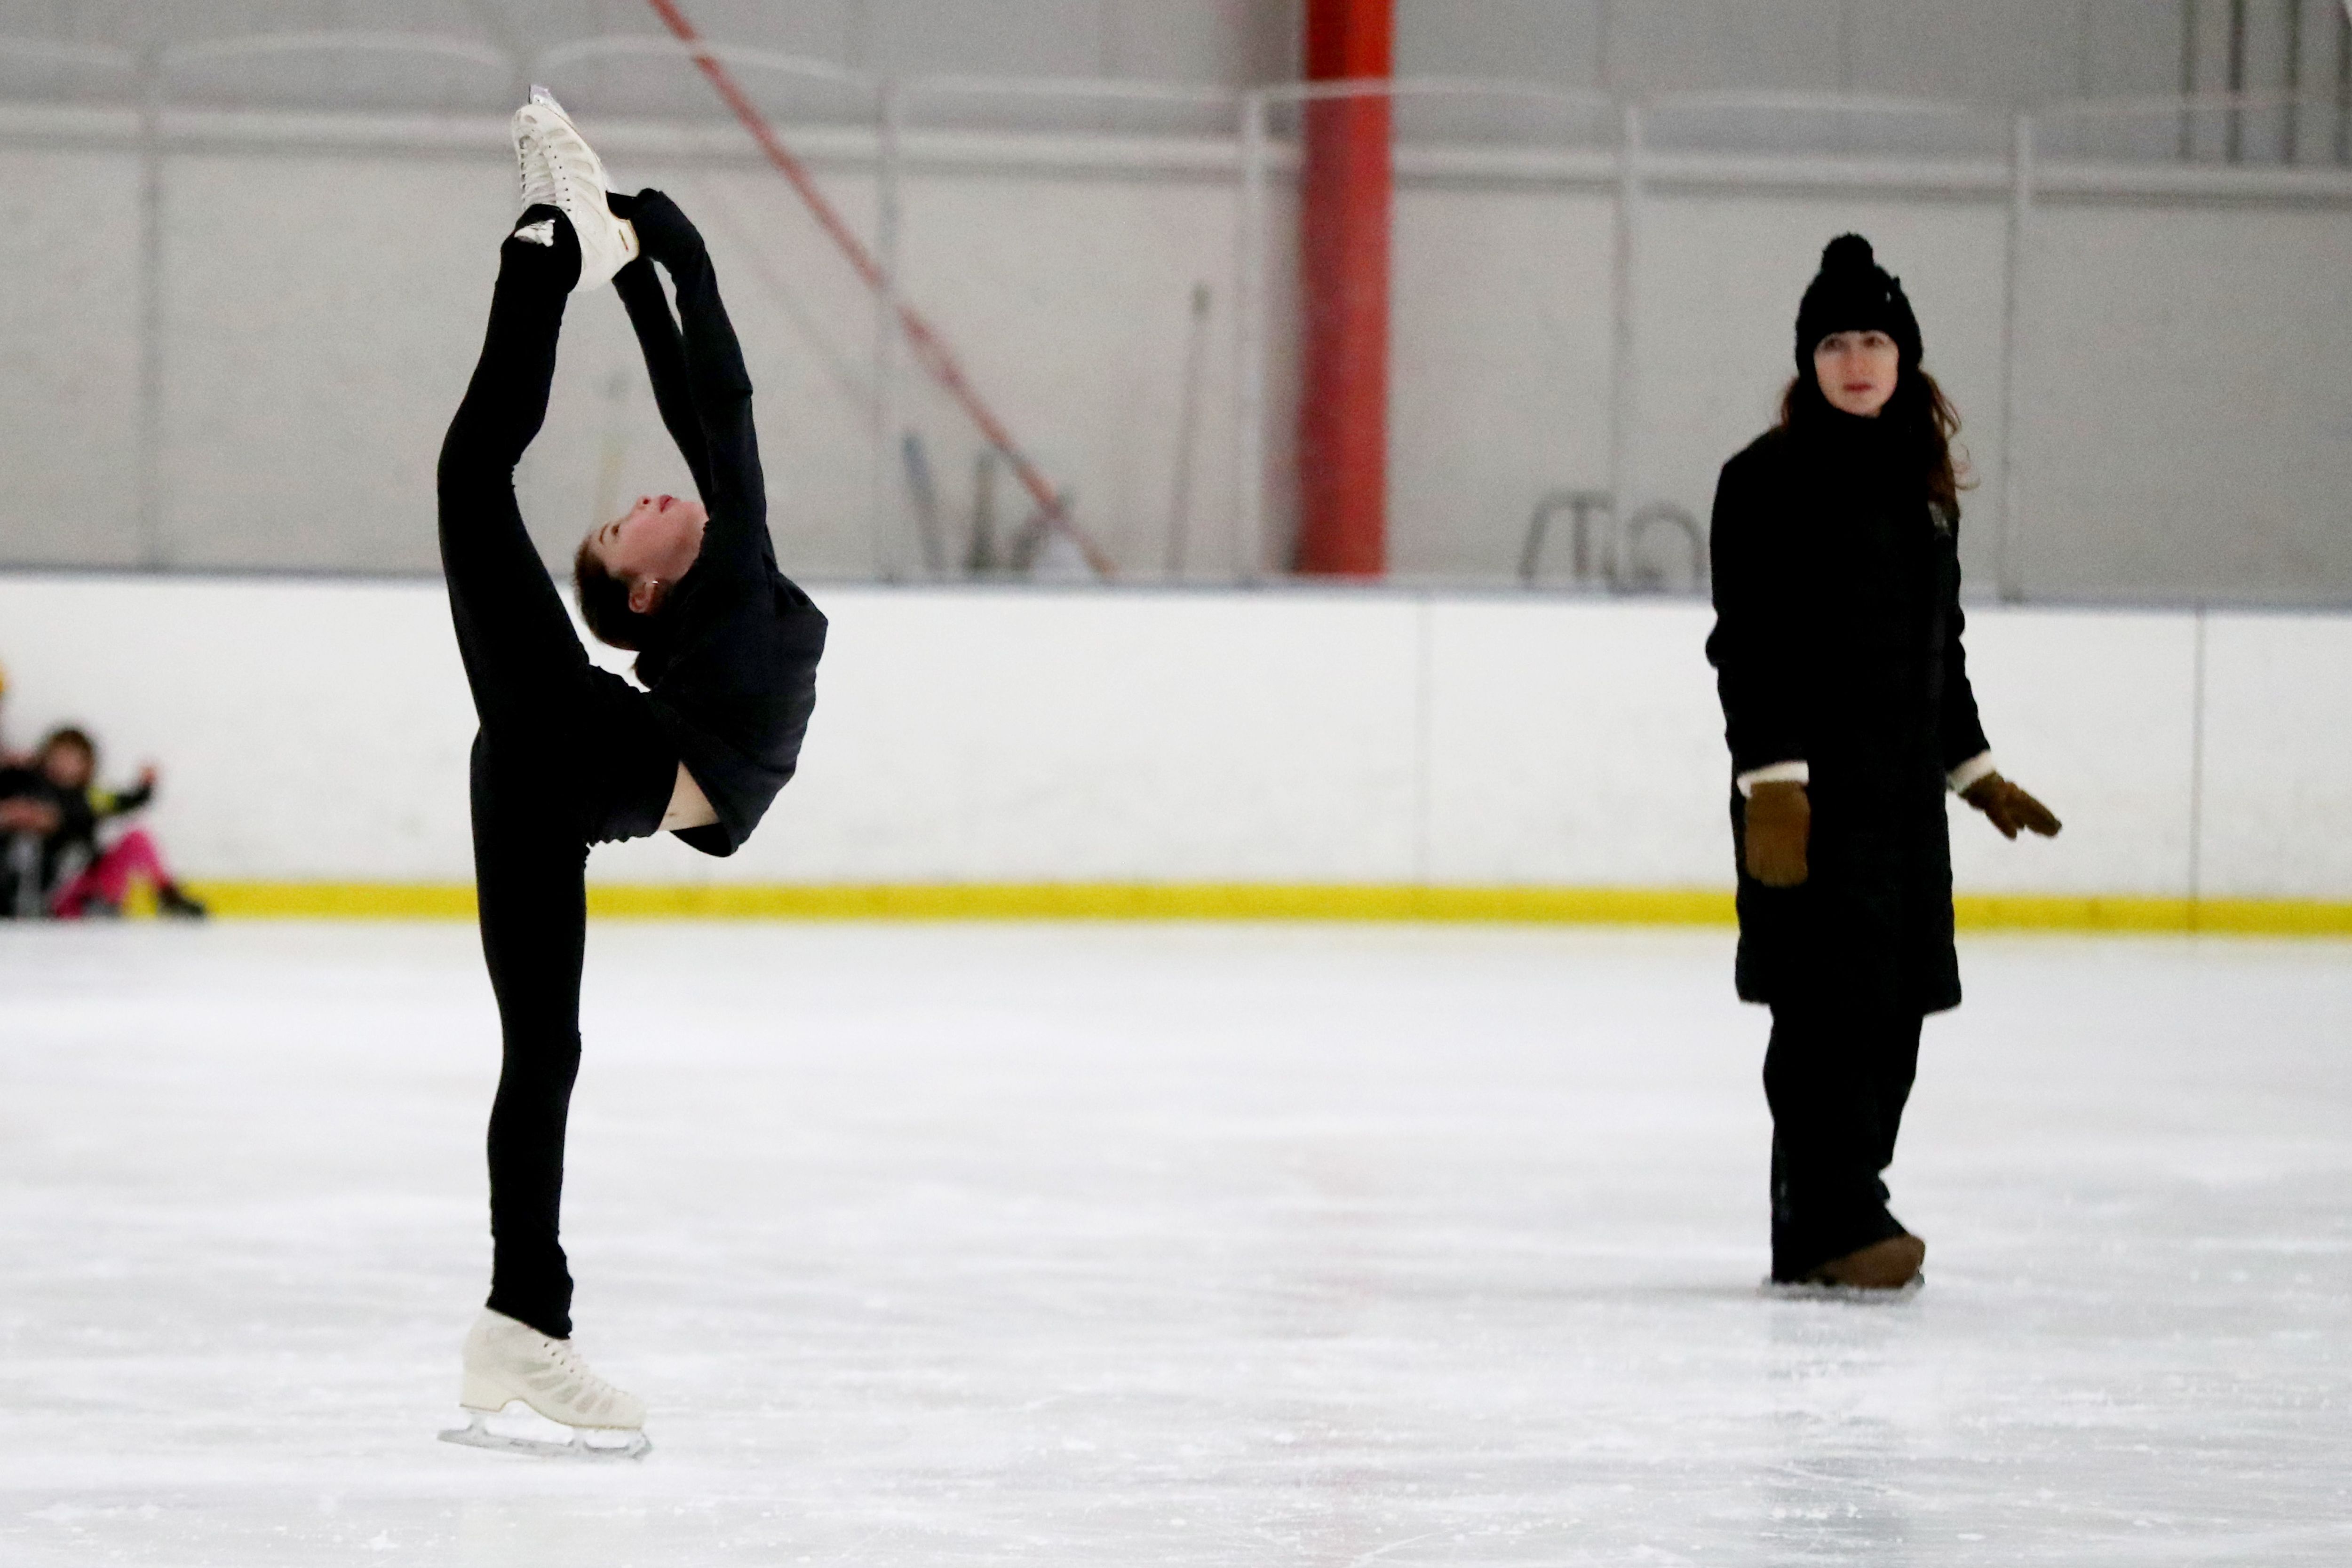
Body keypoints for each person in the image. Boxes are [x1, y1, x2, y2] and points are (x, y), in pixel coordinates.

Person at [434, 89, 825, 1459]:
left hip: (551, 782)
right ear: (645, 593)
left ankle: (516, 1322)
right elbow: (716, 401)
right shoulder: (723, 594)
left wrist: (640, 251)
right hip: (576, 749)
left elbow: (701, 416)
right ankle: (540, 236)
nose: (647, 494)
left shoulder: (727, 596)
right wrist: (657, 254)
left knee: (545, 1046)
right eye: (622, 522)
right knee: (475, 480)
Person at [1705, 234, 2061, 1293]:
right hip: (1809, 807)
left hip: (1906, 808)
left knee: (1896, 1012)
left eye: (1872, 340)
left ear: (1903, 356)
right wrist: (1772, 787)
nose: (1854, 360)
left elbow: (1936, 650)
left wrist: (1976, 771)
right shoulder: (1761, 482)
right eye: (1833, 343)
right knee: (1824, 1019)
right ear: (1807, 362)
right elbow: (1747, 645)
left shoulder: (1924, 490)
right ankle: (1831, 1222)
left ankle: (1843, 1206)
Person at [30, 727, 207, 920]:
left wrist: (145, 788)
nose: (64, 765)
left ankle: (168, 896)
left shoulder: (91, 798)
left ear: (87, 764)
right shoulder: (36, 794)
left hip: (92, 878)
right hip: (59, 886)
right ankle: (82, 905)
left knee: (138, 838)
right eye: (59, 757)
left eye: (73, 759)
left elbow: (124, 801)